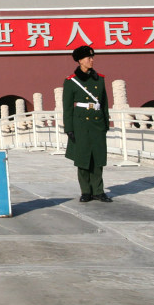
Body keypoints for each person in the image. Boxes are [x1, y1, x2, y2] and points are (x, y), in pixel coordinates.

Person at [62, 45, 112, 203]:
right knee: (83, 158)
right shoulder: (71, 81)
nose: (92, 60)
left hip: (97, 123)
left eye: (92, 57)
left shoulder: (100, 79)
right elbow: (67, 108)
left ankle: (98, 191)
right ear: (80, 60)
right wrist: (69, 128)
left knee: (98, 158)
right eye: (88, 58)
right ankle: (86, 191)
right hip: (81, 124)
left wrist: (106, 123)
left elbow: (104, 104)